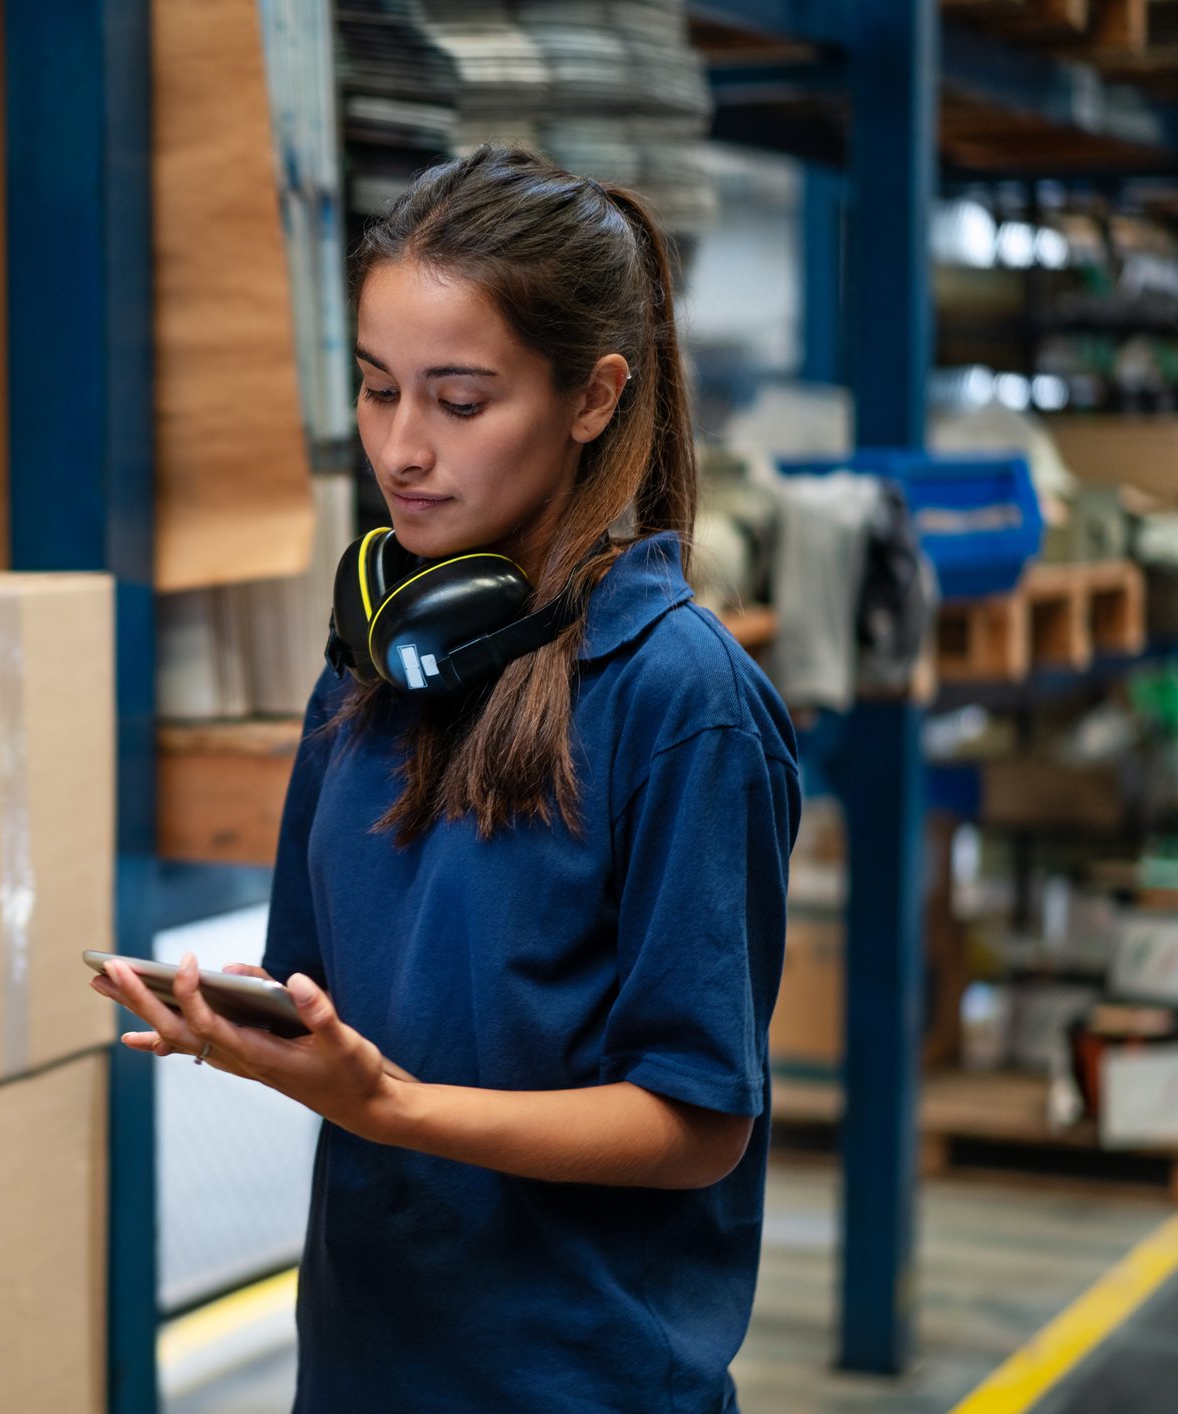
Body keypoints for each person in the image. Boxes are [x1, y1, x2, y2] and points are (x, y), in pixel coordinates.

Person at [91, 146, 800, 1411]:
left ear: (592, 397)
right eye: (375, 391)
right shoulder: (365, 673)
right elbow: (329, 993)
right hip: (366, 1364)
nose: (401, 450)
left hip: (574, 1382)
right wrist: (245, 1025)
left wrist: (394, 1108)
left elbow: (696, 1123)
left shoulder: (679, 703)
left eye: (459, 402)